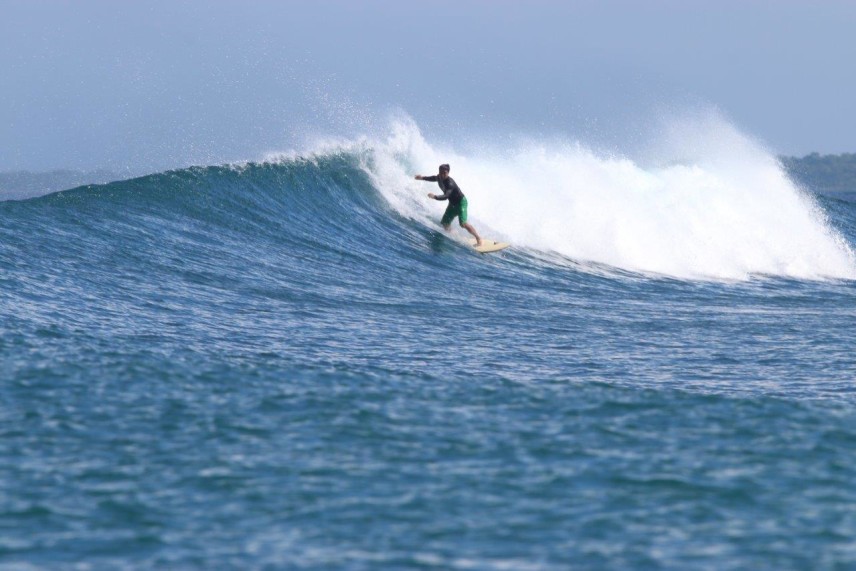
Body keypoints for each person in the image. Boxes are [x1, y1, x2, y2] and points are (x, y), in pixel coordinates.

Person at [414, 164, 482, 246]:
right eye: (441, 172)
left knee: (463, 224)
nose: (442, 175)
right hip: (452, 204)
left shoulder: (450, 183)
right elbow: (433, 178)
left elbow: (446, 196)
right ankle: (454, 235)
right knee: (445, 223)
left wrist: (435, 196)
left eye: (444, 173)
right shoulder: (439, 177)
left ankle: (478, 238)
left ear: (448, 173)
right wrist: (422, 178)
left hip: (461, 203)